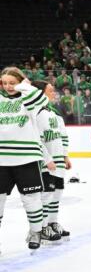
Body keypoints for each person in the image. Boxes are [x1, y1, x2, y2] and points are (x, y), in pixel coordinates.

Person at [0, 67, 48, 251]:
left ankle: (36, 232)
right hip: (2, 158)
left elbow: (41, 99)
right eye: (4, 83)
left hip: (26, 157)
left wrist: (24, 86)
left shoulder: (28, 98)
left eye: (12, 83)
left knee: (31, 198)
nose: (8, 86)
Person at [34, 81, 71, 243]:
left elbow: (63, 135)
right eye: (50, 90)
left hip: (58, 161)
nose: (54, 93)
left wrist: (65, 155)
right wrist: (46, 159)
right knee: (46, 194)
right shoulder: (35, 112)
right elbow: (36, 140)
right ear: (40, 93)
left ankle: (52, 222)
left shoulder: (54, 112)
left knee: (57, 193)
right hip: (45, 162)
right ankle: (42, 228)